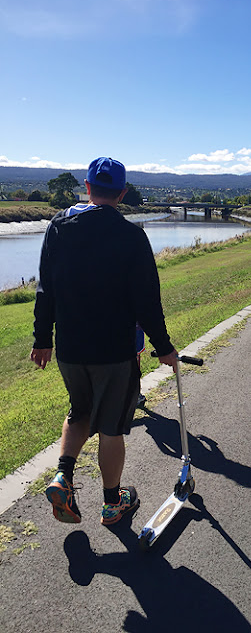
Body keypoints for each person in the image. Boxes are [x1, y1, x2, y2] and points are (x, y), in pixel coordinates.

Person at [30, 157, 177, 526]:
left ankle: (63, 475)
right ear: (122, 193)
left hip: (70, 348)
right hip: (114, 352)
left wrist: (42, 338)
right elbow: (147, 301)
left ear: (87, 187)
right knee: (111, 427)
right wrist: (163, 347)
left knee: (79, 411)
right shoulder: (131, 236)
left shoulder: (58, 226)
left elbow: (45, 288)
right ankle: (113, 503)